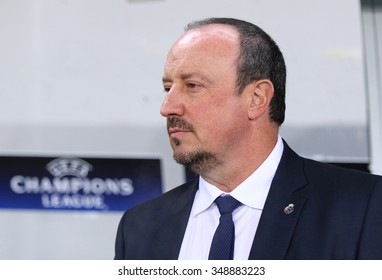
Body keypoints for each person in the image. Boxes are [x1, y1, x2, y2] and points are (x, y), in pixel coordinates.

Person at [114, 17, 382, 260]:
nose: (167, 107)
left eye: (192, 86)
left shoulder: (364, 208)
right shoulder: (139, 227)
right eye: (167, 88)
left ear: (256, 98)